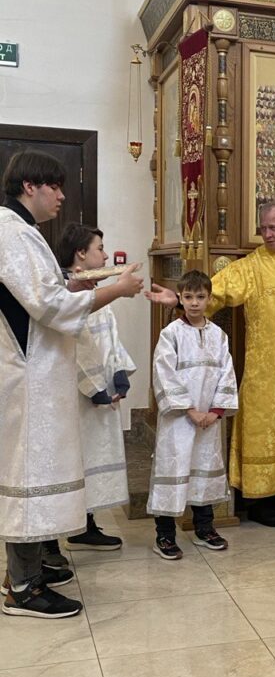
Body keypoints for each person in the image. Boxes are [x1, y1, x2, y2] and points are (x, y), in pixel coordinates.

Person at [0, 150, 143, 618]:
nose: (62, 196)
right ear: (30, 186)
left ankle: (26, 572)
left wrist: (76, 288)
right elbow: (49, 309)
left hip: (38, 374)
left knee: (35, 473)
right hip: (29, 377)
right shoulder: (12, 232)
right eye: (55, 186)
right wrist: (114, 290)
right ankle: (23, 589)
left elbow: (43, 298)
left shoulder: (23, 231)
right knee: (29, 475)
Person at [146, 202, 275, 526]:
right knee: (265, 428)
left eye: (274, 228)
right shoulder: (251, 266)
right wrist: (180, 299)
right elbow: (216, 292)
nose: (267, 234)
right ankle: (261, 501)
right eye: (263, 228)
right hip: (266, 370)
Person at [51, 223, 135, 552]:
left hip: (102, 392)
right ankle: (52, 539)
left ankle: (85, 525)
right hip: (75, 396)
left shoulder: (97, 294)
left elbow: (109, 339)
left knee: (92, 458)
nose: (105, 254)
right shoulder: (66, 295)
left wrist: (119, 375)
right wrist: (94, 388)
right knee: (71, 462)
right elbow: (74, 346)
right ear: (81, 253)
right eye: (100, 248)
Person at [147, 269, 238, 559]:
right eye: (188, 297)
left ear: (209, 298)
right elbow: (164, 374)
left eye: (200, 297)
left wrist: (215, 411)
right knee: (173, 469)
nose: (195, 303)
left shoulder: (219, 335)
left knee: (203, 468)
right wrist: (189, 409)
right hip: (179, 419)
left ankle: (204, 528)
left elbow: (227, 373)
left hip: (209, 419)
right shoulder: (171, 334)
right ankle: (164, 534)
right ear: (181, 299)